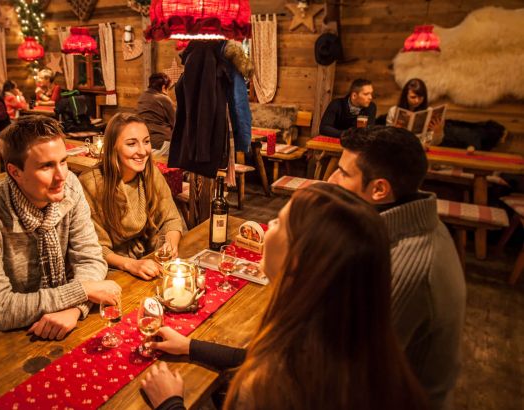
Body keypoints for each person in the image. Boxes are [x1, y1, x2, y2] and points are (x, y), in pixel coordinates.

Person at [141, 183, 429, 410]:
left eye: (278, 222)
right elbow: (258, 355)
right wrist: (189, 346)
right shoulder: (344, 336)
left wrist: (170, 403)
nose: (268, 226)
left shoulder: (275, 389)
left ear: (296, 260)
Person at [0, 115, 121, 350]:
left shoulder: (70, 186)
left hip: (54, 304)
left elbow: (90, 257)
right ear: (15, 172)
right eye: (46, 166)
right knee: (17, 373)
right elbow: (1, 309)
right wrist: (83, 291)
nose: (61, 176)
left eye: (63, 161)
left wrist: (74, 308)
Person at [328, 126, 465, 410]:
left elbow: (348, 371)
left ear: (379, 189)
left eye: (343, 172)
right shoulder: (417, 220)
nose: (331, 180)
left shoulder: (407, 266)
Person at [79, 113, 184, 280]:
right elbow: (94, 248)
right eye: (131, 144)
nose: (143, 151)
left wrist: (170, 246)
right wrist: (130, 264)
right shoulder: (91, 184)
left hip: (147, 257)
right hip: (110, 266)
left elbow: (171, 218)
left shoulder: (151, 172)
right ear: (113, 146)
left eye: (146, 141)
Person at [387, 78, 445, 145]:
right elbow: (388, 139)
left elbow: (435, 143)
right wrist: (394, 132)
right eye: (413, 97)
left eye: (420, 97)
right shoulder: (393, 111)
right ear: (405, 96)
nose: (417, 100)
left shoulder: (429, 112)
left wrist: (438, 132)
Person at [136, 73, 176, 156]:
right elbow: (176, 124)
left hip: (144, 142)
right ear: (163, 87)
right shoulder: (163, 98)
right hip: (161, 144)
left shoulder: (142, 97)